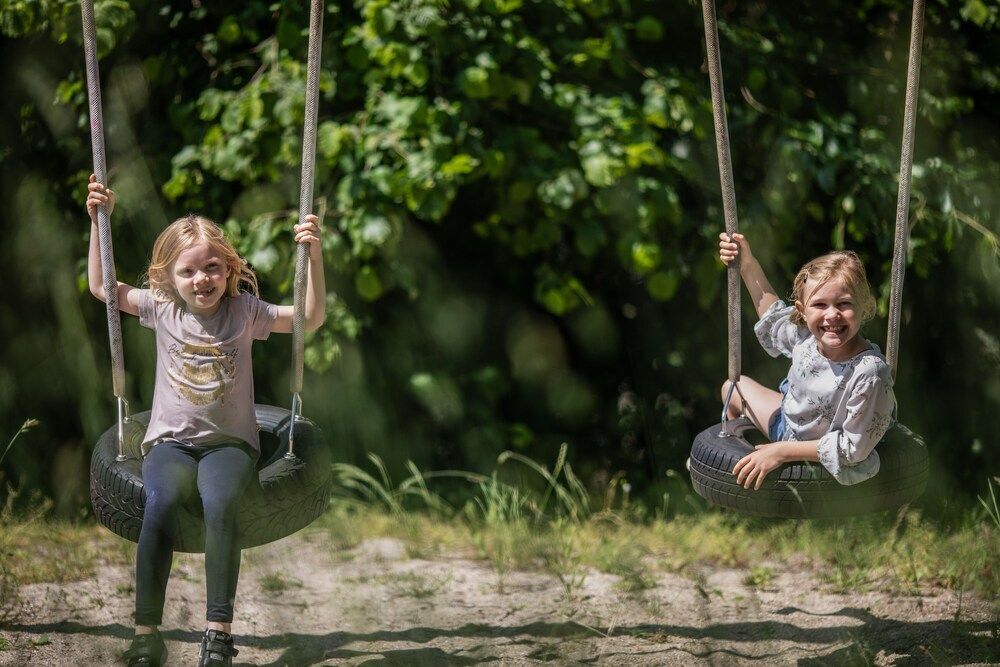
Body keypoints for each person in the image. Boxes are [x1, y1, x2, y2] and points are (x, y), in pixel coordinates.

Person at [86, 175, 326, 667]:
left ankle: (218, 633)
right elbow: (102, 288)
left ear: (229, 269)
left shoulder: (245, 312)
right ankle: (146, 634)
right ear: (168, 278)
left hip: (230, 446)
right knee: (159, 502)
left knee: (221, 502)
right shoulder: (161, 309)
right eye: (188, 270)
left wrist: (314, 255)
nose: (202, 279)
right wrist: (98, 222)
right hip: (170, 444)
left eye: (212, 267)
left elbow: (308, 316)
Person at [717, 232, 895, 491]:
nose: (832, 315)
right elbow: (772, 316)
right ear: (802, 311)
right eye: (820, 305)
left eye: (844, 304)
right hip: (789, 429)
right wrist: (747, 265)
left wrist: (781, 452)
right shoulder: (806, 337)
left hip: (828, 453)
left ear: (865, 306)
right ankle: (736, 473)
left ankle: (769, 462)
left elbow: (853, 449)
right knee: (732, 387)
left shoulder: (869, 372)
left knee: (741, 396)